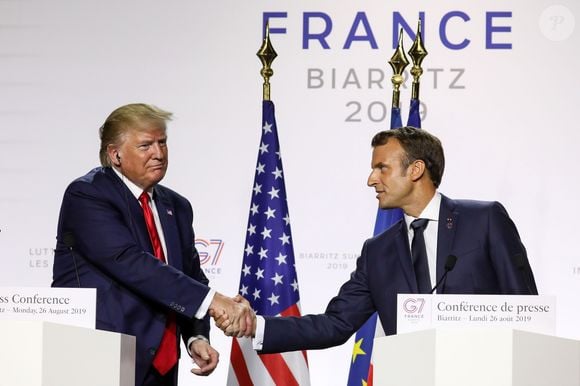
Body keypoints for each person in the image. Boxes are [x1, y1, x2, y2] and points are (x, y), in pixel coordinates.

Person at [214, 126, 538, 353]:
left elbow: (526, 310)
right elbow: (335, 324)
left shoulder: (484, 221)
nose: (371, 179)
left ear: (416, 170)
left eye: (382, 168)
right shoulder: (378, 251)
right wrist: (257, 325)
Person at [52, 103, 254, 386]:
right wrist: (214, 302)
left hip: (161, 365)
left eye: (163, 142)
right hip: (101, 357)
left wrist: (195, 335)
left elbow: (189, 276)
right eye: (146, 145)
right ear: (115, 154)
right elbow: (130, 261)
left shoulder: (177, 206)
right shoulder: (88, 194)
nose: (158, 154)